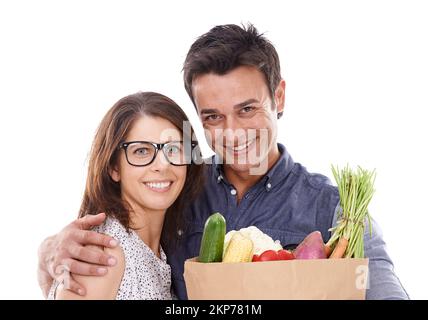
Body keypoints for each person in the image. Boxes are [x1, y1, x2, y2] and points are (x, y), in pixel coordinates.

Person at [38, 24, 409, 300]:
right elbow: (121, 247)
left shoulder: (332, 209)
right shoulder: (177, 190)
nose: (232, 133)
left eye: (247, 109)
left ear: (278, 96)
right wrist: (49, 250)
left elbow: (384, 288)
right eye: (213, 116)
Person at [45, 91, 204, 299]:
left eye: (173, 149)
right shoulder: (103, 253)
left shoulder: (161, 252)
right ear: (114, 168)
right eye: (141, 151)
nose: (162, 165)